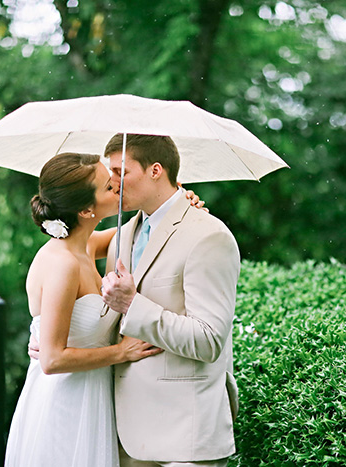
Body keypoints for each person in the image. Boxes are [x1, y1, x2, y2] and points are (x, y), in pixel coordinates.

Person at [5, 152, 204, 467]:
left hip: (93, 395)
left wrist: (177, 206)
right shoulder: (62, 264)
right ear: (86, 209)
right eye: (108, 187)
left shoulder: (84, 244)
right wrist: (121, 353)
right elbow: (52, 359)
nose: (117, 186)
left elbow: (146, 233)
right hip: (65, 404)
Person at [100, 134, 240, 467]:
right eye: (110, 172)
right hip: (124, 437)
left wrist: (134, 305)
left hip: (185, 438)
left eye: (121, 171)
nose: (112, 181)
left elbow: (208, 340)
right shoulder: (120, 237)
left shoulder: (208, 235)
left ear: (156, 170)